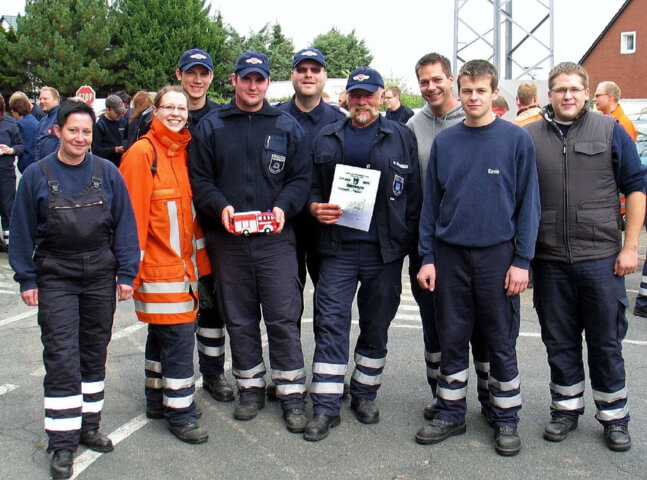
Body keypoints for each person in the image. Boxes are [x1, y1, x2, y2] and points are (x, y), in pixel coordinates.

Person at [9, 100, 140, 479]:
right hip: (56, 275)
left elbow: (125, 226)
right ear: (57, 131)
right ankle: (62, 442)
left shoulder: (108, 173)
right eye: (73, 131)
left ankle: (89, 425)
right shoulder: (36, 174)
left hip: (100, 273)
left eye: (86, 131)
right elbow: (20, 231)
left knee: (93, 351)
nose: (80, 138)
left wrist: (126, 274)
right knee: (62, 354)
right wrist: (27, 278)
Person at [416, 60, 540, 456]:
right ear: (460, 90)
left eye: (480, 91)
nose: (472, 98)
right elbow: (430, 206)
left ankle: (505, 419)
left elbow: (529, 207)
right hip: (450, 255)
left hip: (498, 257)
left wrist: (523, 260)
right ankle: (450, 412)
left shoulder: (515, 140)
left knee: (500, 340)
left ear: (493, 93)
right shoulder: (446, 142)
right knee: (452, 337)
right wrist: (427, 257)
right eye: (467, 91)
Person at [526, 62, 645, 452]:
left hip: (601, 258)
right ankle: (565, 409)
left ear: (587, 93)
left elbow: (637, 188)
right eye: (560, 89)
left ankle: (614, 417)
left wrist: (630, 248)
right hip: (550, 261)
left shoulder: (610, 131)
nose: (568, 96)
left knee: (605, 340)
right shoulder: (529, 137)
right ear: (550, 93)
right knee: (558, 340)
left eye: (575, 89)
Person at [189, 51, 310, 433]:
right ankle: (250, 389)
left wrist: (283, 209)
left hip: (275, 239)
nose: (253, 86)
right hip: (229, 241)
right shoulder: (212, 126)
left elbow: (300, 180)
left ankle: (291, 395)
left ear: (268, 82)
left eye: (260, 79)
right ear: (234, 80)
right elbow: (200, 179)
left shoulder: (287, 126)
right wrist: (220, 207)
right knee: (239, 318)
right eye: (246, 78)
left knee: (282, 316)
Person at [304, 66, 421, 442]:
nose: (362, 102)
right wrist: (313, 207)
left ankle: (365, 393)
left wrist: (408, 242)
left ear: (381, 96)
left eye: (369, 95)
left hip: (383, 253)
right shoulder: (325, 136)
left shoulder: (402, 137)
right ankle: (325, 405)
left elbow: (415, 197)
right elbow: (307, 186)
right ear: (348, 98)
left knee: (375, 324)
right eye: (355, 95)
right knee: (331, 322)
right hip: (335, 249)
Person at [120, 85, 211, 445]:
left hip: (182, 271)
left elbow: (190, 221)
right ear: (154, 111)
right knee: (177, 341)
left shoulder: (182, 153)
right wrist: (132, 272)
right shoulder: (142, 154)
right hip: (159, 272)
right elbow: (132, 221)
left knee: (160, 337)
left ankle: (156, 399)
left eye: (182, 108)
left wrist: (201, 266)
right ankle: (181, 412)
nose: (176, 113)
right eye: (169, 107)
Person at [406, 52, 490, 425]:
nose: (431, 87)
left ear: (451, 79)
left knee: (481, 328)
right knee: (434, 326)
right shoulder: (412, 125)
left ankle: (491, 399)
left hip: (474, 244)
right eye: (424, 82)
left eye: (437, 79)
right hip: (427, 244)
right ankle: (443, 398)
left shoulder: (475, 120)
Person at [0, 93, 24, 250]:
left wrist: (11, 150)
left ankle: (10, 243)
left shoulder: (10, 123)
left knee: (7, 207)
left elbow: (21, 146)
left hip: (5, 172)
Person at [8, 91, 39, 173]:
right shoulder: (34, 119)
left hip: (27, 162)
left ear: (14, 111)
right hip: (36, 161)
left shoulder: (20, 125)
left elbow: (17, 144)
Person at [92, 95, 127, 167]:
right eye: (117, 112)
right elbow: (96, 150)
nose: (120, 114)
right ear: (108, 109)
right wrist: (114, 150)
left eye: (121, 111)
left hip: (122, 164)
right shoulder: (99, 125)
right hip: (105, 165)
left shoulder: (123, 122)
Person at [34, 87, 61, 162]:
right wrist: (38, 164)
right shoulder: (42, 122)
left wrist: (54, 162)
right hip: (42, 167)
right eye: (40, 99)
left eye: (45, 99)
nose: (42, 101)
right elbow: (37, 145)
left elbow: (62, 143)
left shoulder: (61, 118)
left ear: (56, 100)